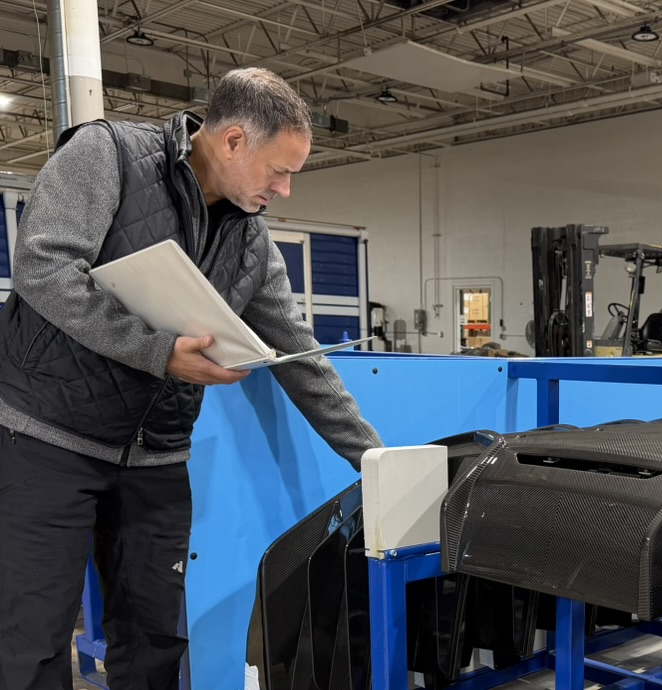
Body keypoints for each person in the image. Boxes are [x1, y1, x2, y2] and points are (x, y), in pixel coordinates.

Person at [0, 68, 383, 690]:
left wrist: (376, 460)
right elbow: (43, 268)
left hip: (155, 458)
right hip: (47, 439)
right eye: (278, 171)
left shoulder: (253, 247)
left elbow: (301, 359)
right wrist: (159, 352)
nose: (285, 190)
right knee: (32, 639)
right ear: (233, 141)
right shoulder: (109, 158)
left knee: (157, 640)